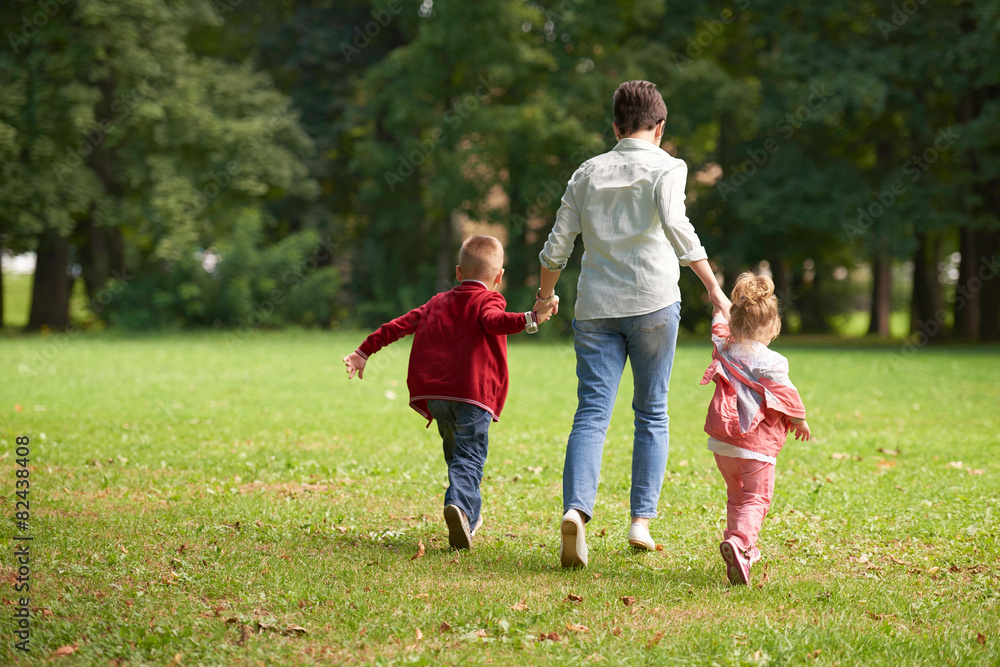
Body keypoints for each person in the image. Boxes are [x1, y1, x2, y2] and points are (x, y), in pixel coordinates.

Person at [535, 80, 732, 568]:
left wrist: (544, 298)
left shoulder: (587, 172)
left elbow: (558, 245)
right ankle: (640, 521)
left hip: (595, 309)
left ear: (616, 126)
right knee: (652, 411)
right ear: (660, 127)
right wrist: (713, 288)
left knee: (592, 413)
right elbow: (677, 227)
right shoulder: (668, 167)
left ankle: (576, 513)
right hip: (652, 304)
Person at [343, 235, 558, 551]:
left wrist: (364, 351)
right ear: (498, 278)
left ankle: (469, 518)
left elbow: (397, 326)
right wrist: (531, 318)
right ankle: (458, 504)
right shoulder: (489, 300)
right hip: (473, 394)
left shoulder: (436, 302)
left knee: (457, 454)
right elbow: (495, 322)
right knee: (469, 456)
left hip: (437, 397)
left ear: (459, 273)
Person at [700, 272, 811, 585]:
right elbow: (787, 393)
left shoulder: (724, 346)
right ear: (774, 326)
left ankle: (739, 552)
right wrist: (799, 420)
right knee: (757, 500)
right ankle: (740, 542)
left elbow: (718, 325)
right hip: (755, 446)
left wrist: (718, 308)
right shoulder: (772, 361)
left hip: (722, 445)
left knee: (737, 498)